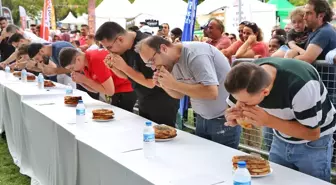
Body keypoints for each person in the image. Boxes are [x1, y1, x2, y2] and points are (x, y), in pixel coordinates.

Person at [224, 58, 336, 182]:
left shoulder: (301, 85)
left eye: (245, 102)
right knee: (277, 181)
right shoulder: (243, 78)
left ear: (265, 92)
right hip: (280, 138)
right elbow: (232, 106)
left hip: (313, 145)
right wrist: (233, 117)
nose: (241, 105)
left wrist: (267, 121)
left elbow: (313, 133)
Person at [135, 36, 241, 148]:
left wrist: (173, 84)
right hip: (202, 117)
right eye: (149, 64)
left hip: (224, 119)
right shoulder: (171, 62)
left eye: (152, 61)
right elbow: (179, 94)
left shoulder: (196, 55)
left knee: (222, 162)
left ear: (163, 48)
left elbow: (211, 92)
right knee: (204, 160)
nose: (153, 67)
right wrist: (165, 85)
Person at [95, 22, 179, 127]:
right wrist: (114, 67)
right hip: (143, 99)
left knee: (164, 136)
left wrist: (124, 67)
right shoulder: (124, 48)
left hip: (162, 100)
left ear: (120, 39)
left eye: (109, 47)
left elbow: (151, 83)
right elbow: (127, 76)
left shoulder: (146, 45)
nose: (108, 51)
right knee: (146, 134)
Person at [59, 48, 136, 112]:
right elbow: (95, 90)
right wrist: (81, 81)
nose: (73, 71)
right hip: (116, 90)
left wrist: (85, 80)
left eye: (72, 68)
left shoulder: (95, 59)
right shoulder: (85, 64)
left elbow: (110, 92)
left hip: (125, 89)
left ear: (78, 59)